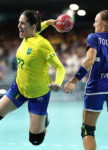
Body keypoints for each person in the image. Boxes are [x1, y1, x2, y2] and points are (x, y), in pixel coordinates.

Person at [0, 10, 65, 145]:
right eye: (18, 23)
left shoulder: (42, 44)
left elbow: (60, 67)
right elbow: (37, 27)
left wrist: (58, 83)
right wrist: (48, 22)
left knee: (36, 140)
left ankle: (44, 119)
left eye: (22, 23)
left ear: (32, 27)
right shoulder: (27, 35)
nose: (19, 26)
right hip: (19, 88)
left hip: (39, 95)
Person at [63, 10, 108, 150]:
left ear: (103, 24)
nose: (94, 23)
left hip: (97, 87)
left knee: (87, 129)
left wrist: (72, 81)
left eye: (96, 20)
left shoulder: (94, 37)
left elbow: (89, 61)